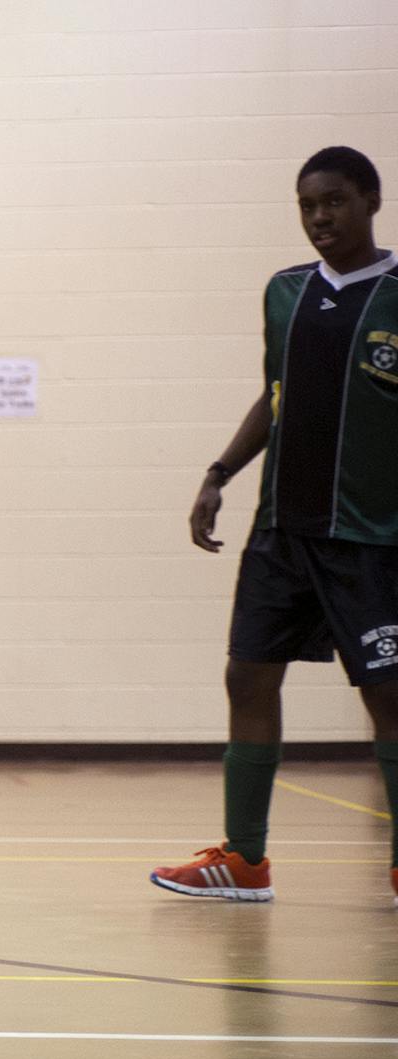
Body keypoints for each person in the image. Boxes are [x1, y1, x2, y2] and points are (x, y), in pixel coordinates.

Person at [150, 145, 398, 907]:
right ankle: (245, 860)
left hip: (369, 537)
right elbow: (276, 395)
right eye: (307, 206)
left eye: (334, 202)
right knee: (247, 674)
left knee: (388, 697)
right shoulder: (284, 292)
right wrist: (219, 473)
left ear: (371, 201)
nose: (320, 218)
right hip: (280, 533)